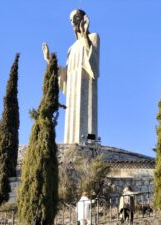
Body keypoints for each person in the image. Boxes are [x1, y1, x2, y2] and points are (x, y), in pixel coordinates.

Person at [43, 9, 100, 144]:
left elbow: (94, 66)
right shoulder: (71, 49)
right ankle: (72, 144)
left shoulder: (93, 37)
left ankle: (90, 142)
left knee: (89, 137)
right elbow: (66, 75)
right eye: (70, 19)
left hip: (87, 87)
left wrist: (85, 36)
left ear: (84, 19)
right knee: (71, 136)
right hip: (73, 91)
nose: (72, 21)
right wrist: (50, 62)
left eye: (76, 17)